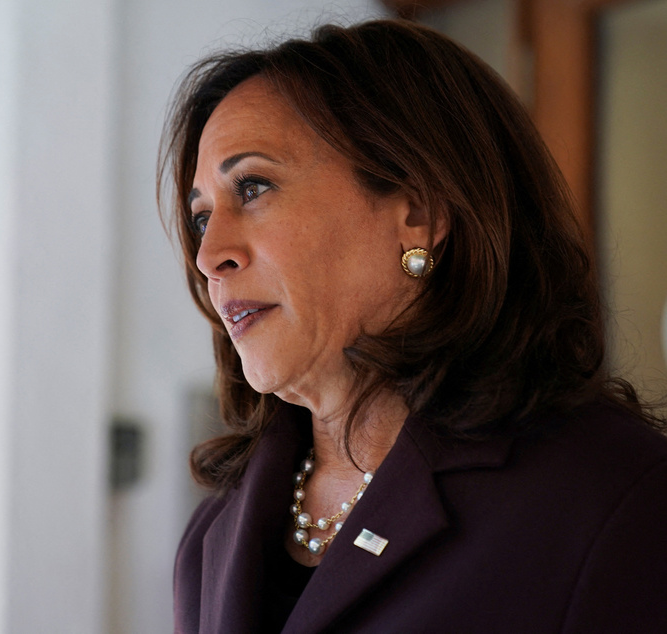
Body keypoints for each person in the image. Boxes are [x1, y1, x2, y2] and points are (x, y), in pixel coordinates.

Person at [158, 18, 667, 634]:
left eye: (254, 187)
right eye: (201, 218)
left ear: (419, 213)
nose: (210, 256)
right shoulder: (212, 534)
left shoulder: (618, 503)